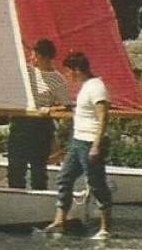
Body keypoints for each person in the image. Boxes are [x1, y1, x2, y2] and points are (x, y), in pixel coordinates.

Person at [44, 51, 114, 239]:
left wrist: (96, 145)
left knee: (96, 183)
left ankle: (105, 227)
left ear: (77, 70)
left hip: (91, 140)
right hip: (78, 141)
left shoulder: (96, 87)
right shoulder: (85, 87)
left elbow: (103, 116)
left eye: (68, 72)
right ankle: (60, 220)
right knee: (64, 178)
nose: (67, 76)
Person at [10, 39, 67, 190]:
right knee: (16, 165)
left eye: (35, 56)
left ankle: (39, 194)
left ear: (45, 57)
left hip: (40, 125)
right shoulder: (26, 72)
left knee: (38, 167)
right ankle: (16, 193)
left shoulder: (57, 79)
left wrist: (50, 110)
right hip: (21, 121)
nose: (32, 59)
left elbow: (67, 105)